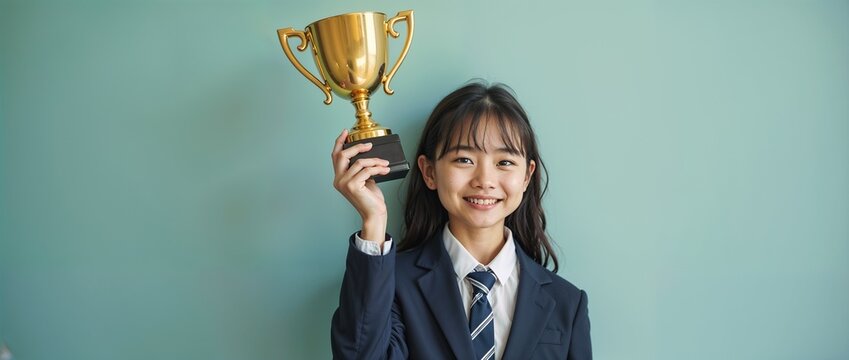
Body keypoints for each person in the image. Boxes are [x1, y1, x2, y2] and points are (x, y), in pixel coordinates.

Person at [329, 81, 592, 359]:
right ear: (429, 172)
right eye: (465, 160)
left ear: (526, 176)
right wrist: (374, 220)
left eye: (504, 162)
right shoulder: (391, 283)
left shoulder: (567, 304)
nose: (485, 181)